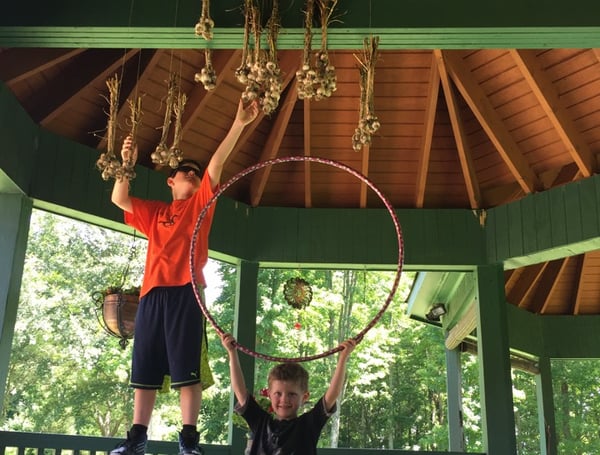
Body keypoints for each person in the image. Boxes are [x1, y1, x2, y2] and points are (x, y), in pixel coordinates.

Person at [109, 99, 259, 455]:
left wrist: (238, 122)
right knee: (144, 368)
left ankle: (189, 441)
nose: (192, 174)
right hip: (151, 296)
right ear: (170, 181)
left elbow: (218, 163)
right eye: (184, 172)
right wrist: (126, 165)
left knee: (186, 369)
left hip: (187, 293)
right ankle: (136, 439)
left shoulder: (201, 205)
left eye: (195, 172)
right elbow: (119, 198)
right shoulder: (155, 212)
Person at [220, 332, 356, 455]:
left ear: (305, 397)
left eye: (292, 394)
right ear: (269, 394)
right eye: (278, 393)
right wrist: (232, 353)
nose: (284, 399)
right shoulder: (260, 423)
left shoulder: (308, 425)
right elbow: (240, 391)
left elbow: (331, 395)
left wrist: (343, 358)